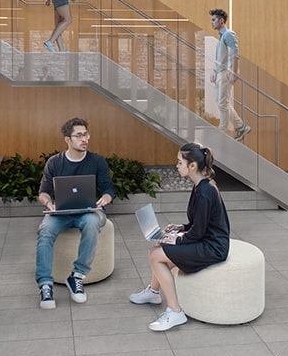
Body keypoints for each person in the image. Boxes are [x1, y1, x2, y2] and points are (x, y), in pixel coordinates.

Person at [130, 143, 230, 331]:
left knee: (155, 255)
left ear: (192, 166)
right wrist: (180, 228)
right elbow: (200, 224)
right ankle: (153, 292)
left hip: (213, 248)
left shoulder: (205, 192)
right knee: (157, 249)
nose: (176, 166)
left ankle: (175, 311)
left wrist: (176, 239)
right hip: (206, 239)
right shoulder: (201, 185)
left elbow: (198, 233)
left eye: (179, 162)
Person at [35, 117, 115, 309]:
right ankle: (45, 284)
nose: (84, 139)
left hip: (88, 211)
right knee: (45, 230)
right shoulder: (54, 162)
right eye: (78, 135)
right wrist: (49, 203)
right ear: (67, 139)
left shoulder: (97, 161)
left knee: (91, 223)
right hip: (60, 212)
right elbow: (43, 192)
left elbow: (108, 189)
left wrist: (105, 198)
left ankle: (77, 276)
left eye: (86, 134)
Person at [209, 8, 251, 141]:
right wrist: (214, 71)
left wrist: (233, 72)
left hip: (227, 73)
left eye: (214, 20)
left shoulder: (228, 34)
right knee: (221, 101)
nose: (212, 22)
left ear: (221, 21)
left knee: (222, 102)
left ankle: (222, 130)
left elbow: (235, 55)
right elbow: (222, 57)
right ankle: (240, 126)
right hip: (220, 72)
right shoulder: (221, 36)